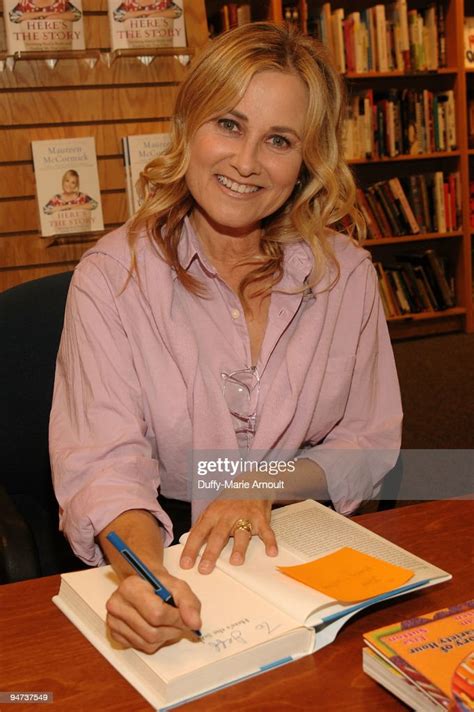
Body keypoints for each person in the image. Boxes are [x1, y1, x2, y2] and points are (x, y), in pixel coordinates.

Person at [50, 22, 402, 654]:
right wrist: (145, 576)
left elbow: (368, 442)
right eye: (229, 125)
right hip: (168, 544)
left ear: (306, 160)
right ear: (189, 128)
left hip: (300, 543)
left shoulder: (346, 274)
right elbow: (106, 467)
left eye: (279, 139)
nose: (246, 163)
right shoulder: (111, 278)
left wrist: (265, 483)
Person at [9, 0, 82, 23]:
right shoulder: (25, 2)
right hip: (30, 47)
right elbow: (13, 17)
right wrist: (43, 14)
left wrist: (56, 16)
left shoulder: (60, 2)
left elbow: (77, 14)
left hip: (57, 45)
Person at [112, 0, 182, 22]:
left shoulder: (162, 1)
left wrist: (154, 15)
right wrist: (144, 12)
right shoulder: (129, 2)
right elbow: (117, 15)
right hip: (135, 43)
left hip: (161, 41)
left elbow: (178, 12)